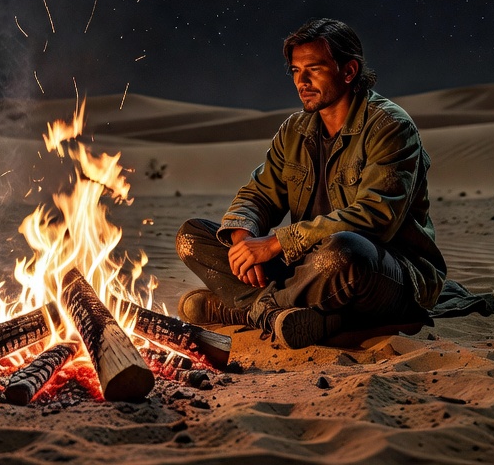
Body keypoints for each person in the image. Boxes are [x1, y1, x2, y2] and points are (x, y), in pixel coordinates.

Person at [174, 18, 446, 348]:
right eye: (295, 71)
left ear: (348, 71)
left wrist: (275, 244)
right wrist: (241, 240)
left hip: (385, 271)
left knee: (343, 252)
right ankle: (286, 313)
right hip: (306, 267)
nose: (302, 81)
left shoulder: (390, 127)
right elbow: (259, 193)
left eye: (314, 69)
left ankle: (243, 310)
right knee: (191, 236)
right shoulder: (294, 131)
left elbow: (376, 218)